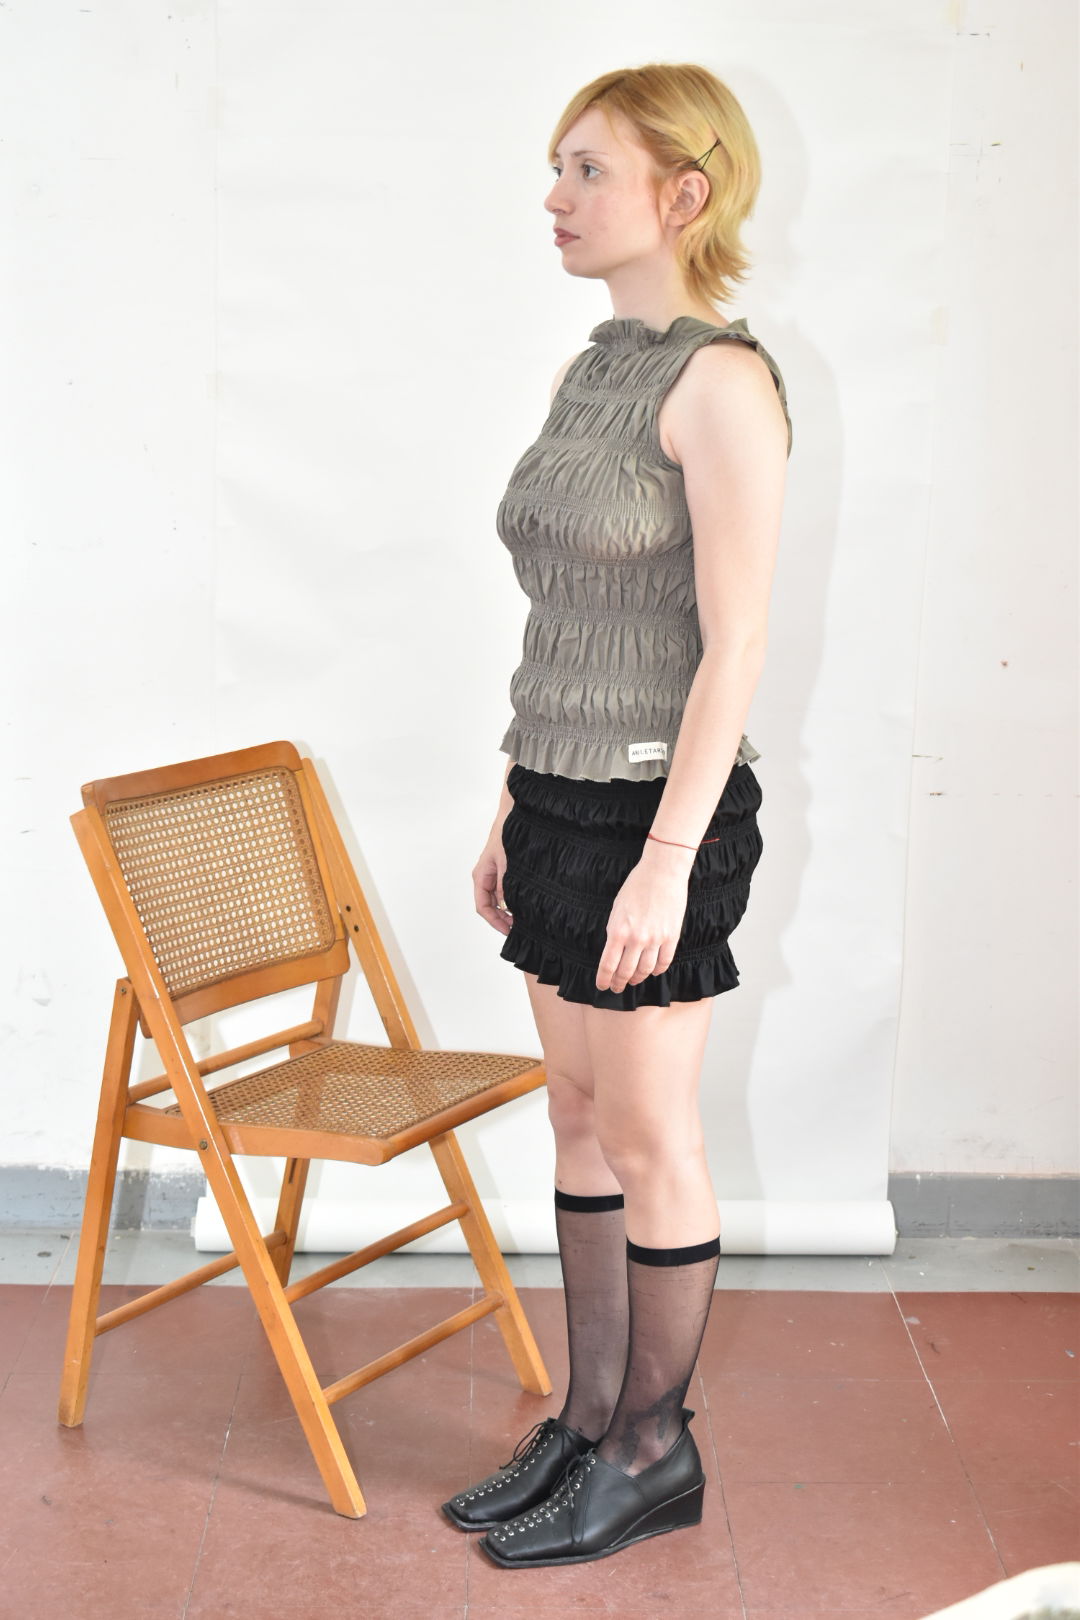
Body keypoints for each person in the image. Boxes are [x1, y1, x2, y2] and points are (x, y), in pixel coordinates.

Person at [444, 61, 792, 1567]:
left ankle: (655, 1446)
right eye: (558, 166)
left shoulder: (724, 383)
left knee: (649, 1130)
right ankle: (589, 1416)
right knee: (577, 1116)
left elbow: (737, 645)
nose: (556, 196)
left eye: (589, 169)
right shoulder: (590, 370)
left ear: (685, 193)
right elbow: (568, 622)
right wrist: (511, 801)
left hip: (664, 815)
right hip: (560, 800)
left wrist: (665, 863)